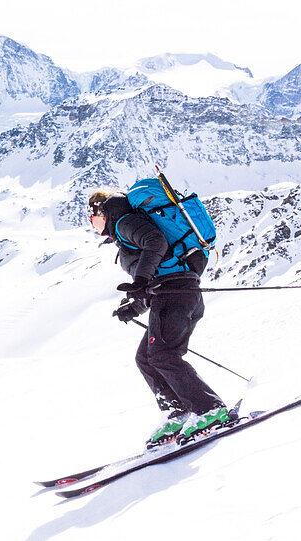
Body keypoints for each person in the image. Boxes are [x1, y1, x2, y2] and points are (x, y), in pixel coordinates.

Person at [88, 186, 230, 446]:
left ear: (101, 212)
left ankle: (209, 409)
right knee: (145, 358)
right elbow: (156, 276)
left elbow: (156, 243)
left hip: (176, 295)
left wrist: (140, 280)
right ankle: (177, 412)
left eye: (90, 217)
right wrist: (135, 305)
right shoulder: (125, 227)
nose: (91, 224)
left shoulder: (123, 222)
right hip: (174, 295)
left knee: (163, 356)